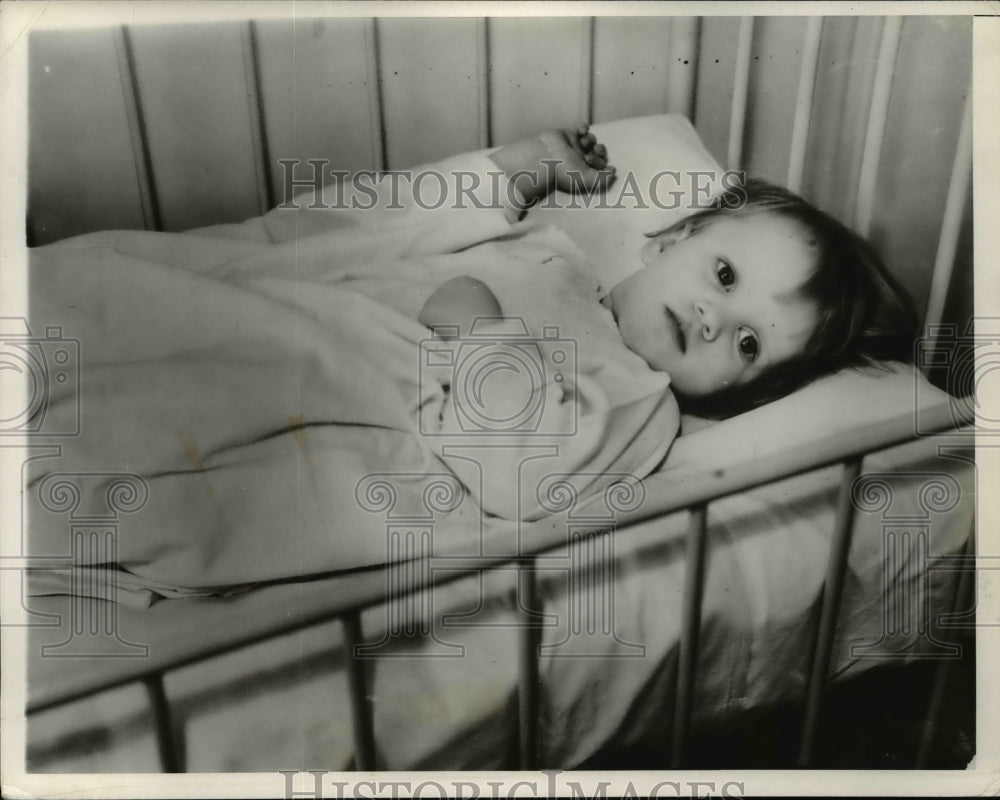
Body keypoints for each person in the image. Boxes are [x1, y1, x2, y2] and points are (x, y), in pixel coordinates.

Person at [419, 123, 917, 422]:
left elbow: (528, 469)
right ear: (671, 240)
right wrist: (515, 180)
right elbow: (395, 243)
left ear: (745, 395)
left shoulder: (637, 401)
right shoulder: (556, 260)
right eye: (724, 276)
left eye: (748, 343)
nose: (710, 319)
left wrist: (481, 343)